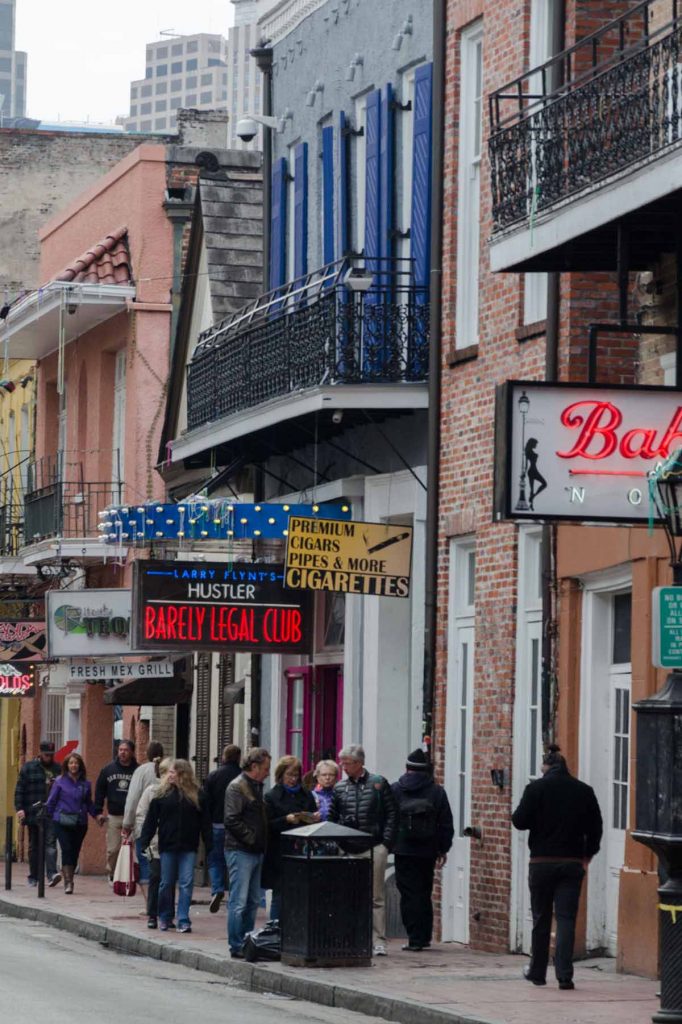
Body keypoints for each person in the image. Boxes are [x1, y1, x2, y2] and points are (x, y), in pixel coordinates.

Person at [512, 744, 603, 991]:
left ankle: (538, 972)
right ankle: (565, 975)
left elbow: (519, 821)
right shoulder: (584, 791)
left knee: (541, 919)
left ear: (546, 766)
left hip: (541, 862)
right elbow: (596, 828)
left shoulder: (535, 789)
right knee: (566, 919)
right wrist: (588, 855)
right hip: (572, 863)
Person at [328, 743, 398, 956]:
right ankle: (352, 936)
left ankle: (378, 939)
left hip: (374, 846)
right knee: (349, 895)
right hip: (348, 847)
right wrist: (338, 842)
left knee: (375, 897)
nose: (343, 767)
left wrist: (385, 843)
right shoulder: (340, 788)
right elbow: (332, 817)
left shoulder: (378, 784)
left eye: (347, 763)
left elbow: (392, 814)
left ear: (359, 763)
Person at [391, 749, 454, 951]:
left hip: (403, 849)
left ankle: (414, 937)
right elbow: (445, 823)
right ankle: (424, 936)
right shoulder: (436, 791)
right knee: (424, 892)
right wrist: (443, 849)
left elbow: (388, 820)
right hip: (427, 850)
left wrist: (389, 843)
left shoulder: (395, 790)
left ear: (407, 768)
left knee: (408, 894)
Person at [139, 758, 212, 933]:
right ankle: (164, 917)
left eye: (172, 772)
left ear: (182, 774)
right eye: (169, 772)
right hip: (167, 845)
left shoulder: (197, 795)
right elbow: (151, 821)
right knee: (166, 882)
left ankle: (183, 918)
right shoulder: (161, 795)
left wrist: (209, 844)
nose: (169, 775)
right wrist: (145, 840)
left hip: (189, 845)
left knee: (186, 882)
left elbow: (205, 823)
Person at [224, 747, 271, 958]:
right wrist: (252, 839)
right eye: (266, 768)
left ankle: (246, 941)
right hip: (240, 850)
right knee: (239, 901)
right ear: (254, 766)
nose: (268, 772)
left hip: (254, 850)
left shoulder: (255, 786)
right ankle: (236, 944)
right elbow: (231, 819)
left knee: (252, 901)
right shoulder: (238, 787)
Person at [263, 756, 319, 921]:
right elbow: (268, 824)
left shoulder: (306, 795)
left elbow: (312, 815)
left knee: (300, 891)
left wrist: (312, 817)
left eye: (296, 775)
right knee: (279, 893)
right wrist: (285, 820)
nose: (293, 779)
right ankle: (275, 928)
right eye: (289, 775)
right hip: (280, 850)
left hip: (301, 848)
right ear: (281, 775)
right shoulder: (272, 796)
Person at [44, 753, 98, 894]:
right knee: (66, 849)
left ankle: (70, 876)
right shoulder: (60, 781)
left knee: (74, 852)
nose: (73, 765)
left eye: (76, 763)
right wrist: (49, 817)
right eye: (71, 763)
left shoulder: (85, 784)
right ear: (66, 765)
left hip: (80, 823)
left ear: (80, 765)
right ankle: (69, 882)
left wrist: (97, 816)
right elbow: (51, 802)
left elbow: (89, 803)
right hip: (62, 821)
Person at [14, 740, 61, 887]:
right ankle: (34, 876)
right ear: (40, 753)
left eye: (51, 754)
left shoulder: (58, 769)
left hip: (51, 813)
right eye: (46, 754)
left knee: (50, 843)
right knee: (34, 845)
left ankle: (51, 874)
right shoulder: (28, 768)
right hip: (33, 812)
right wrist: (20, 808)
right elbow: (20, 789)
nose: (49, 757)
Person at [202, 743, 241, 913]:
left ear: (223, 757)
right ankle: (233, 892)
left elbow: (206, 802)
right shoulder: (242, 776)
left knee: (214, 858)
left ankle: (217, 889)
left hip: (216, 824)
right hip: (236, 825)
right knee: (233, 860)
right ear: (239, 757)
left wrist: (206, 823)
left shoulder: (213, 776)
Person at [94, 739, 138, 880]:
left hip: (134, 816)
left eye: (126, 750)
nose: (122, 752)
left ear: (132, 752)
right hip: (114, 815)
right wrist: (98, 812)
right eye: (120, 750)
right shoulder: (108, 770)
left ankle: (133, 876)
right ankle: (112, 873)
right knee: (113, 849)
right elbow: (100, 791)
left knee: (135, 849)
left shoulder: (138, 770)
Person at [122, 741, 164, 887]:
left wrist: (127, 823)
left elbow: (132, 799)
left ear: (147, 754)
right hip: (165, 824)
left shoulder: (141, 771)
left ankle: (150, 903)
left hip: (144, 823)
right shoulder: (169, 769)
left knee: (146, 862)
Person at [136, 757, 171, 928]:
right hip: (154, 843)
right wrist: (145, 838)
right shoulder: (152, 791)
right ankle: (153, 914)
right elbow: (142, 815)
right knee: (155, 877)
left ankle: (167, 914)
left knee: (169, 879)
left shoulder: (178, 792)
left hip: (171, 843)